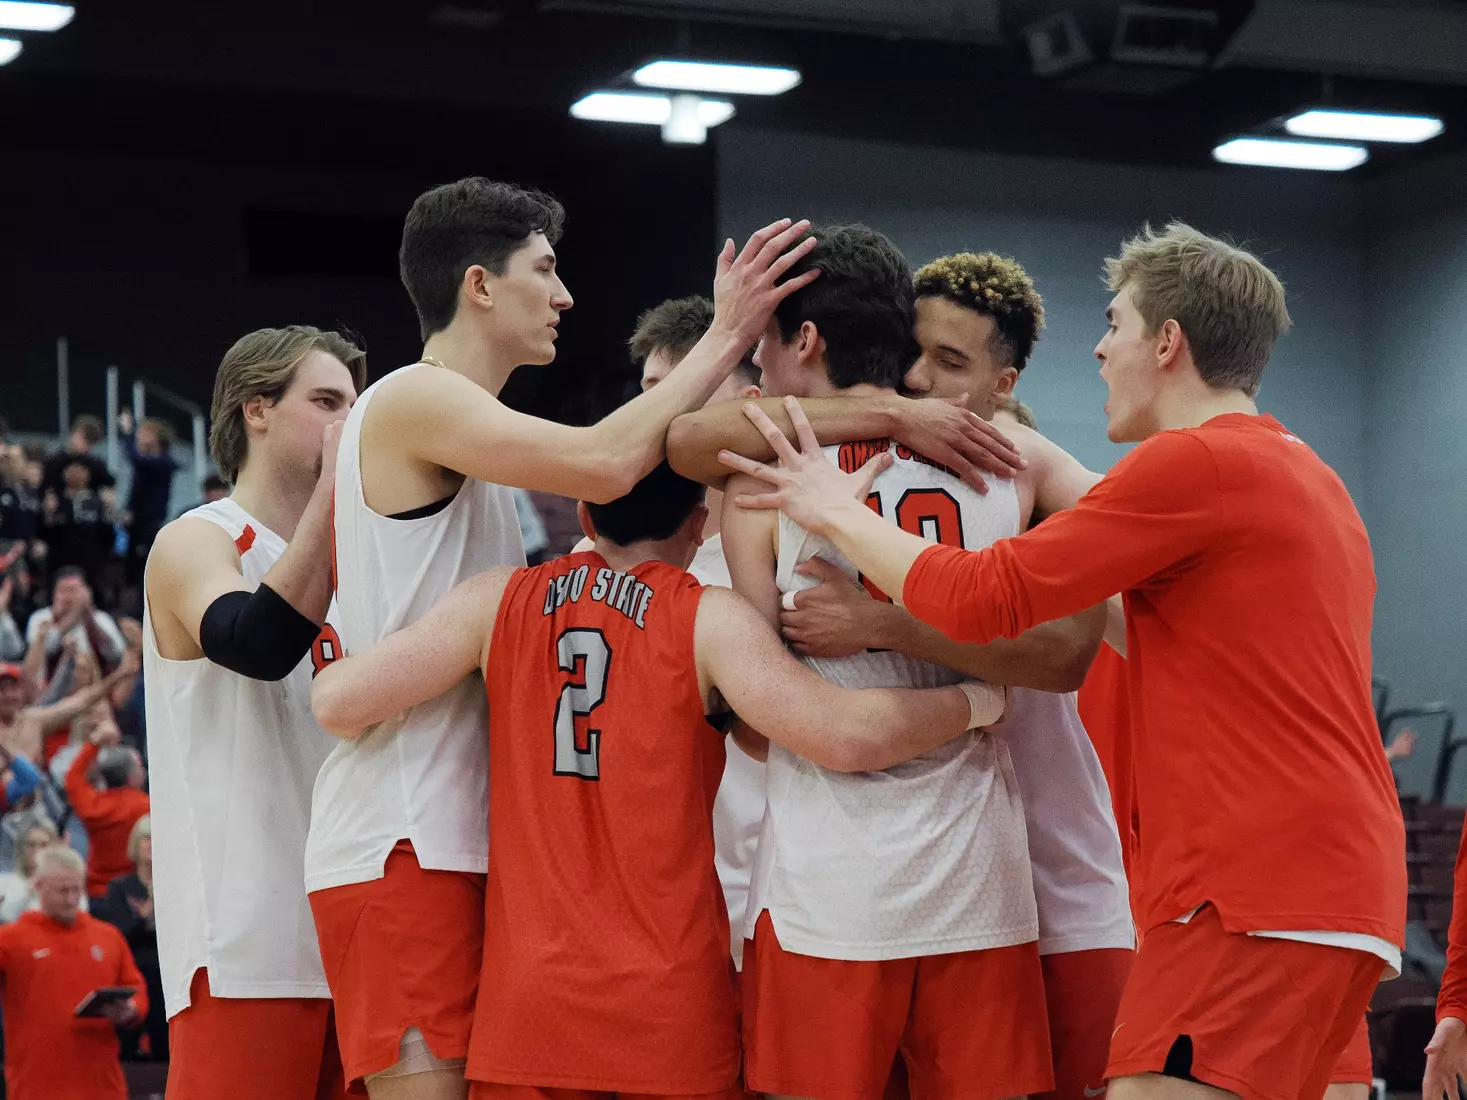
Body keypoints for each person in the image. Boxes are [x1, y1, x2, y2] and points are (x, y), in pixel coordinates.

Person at [307, 179, 1012, 1099]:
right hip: (413, 842)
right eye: (546, 269)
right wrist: (986, 693)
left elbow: (335, 695)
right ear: (479, 285)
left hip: (489, 887)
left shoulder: (505, 586)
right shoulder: (414, 403)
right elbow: (611, 457)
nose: (565, 295)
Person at [720, 222, 1406, 1100]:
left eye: (1113, 325)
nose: (1096, 347)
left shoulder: (1190, 466)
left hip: (1246, 890)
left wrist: (836, 512)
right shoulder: (1302, 469)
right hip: (1327, 879)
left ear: (1167, 342)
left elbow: (982, 598)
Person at [309, 456, 1009, 1100]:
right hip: (667, 1001)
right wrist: (979, 701)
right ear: (697, 525)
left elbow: (338, 703)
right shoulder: (707, 616)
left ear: (584, 519)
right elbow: (847, 735)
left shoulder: (497, 600)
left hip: (529, 1004)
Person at [716, 226, 1058, 1100]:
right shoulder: (1013, 463)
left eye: (763, 345)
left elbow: (755, 728)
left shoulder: (754, 480)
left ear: (807, 341)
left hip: (823, 887)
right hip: (977, 876)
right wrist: (978, 694)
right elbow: (1070, 652)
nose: (758, 367)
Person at [143, 324, 365, 1100]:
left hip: (359, 927)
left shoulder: (366, 561)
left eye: (356, 403)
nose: (352, 421)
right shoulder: (196, 541)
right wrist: (340, 489)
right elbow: (254, 640)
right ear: (256, 408)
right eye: (328, 401)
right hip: (247, 938)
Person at [0, 843, 147, 1100]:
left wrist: (130, 1010)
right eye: (61, 891)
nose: (70, 899)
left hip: (103, 1086)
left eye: (76, 889)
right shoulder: (12, 939)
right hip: (36, 1087)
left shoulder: (108, 936)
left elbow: (137, 989)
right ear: (38, 886)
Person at [63, 718, 150, 900]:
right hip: (135, 892)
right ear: (132, 776)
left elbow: (72, 777)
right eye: (141, 768)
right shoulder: (145, 806)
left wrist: (94, 743)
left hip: (96, 892)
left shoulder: (91, 804)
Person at [105, 813, 168, 1062]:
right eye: (146, 838)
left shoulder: (174, 884)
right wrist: (145, 916)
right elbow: (120, 932)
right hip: (134, 966)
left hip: (165, 969)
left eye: (156, 838)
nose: (152, 844)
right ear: (136, 844)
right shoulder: (121, 887)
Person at [0, 654, 135, 764]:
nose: (9, 695)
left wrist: (119, 674)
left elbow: (82, 701)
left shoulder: (33, 719)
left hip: (37, 792)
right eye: (2, 689)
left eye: (13, 688)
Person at [119, 410, 180, 583]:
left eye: (145, 433)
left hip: (149, 525)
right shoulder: (147, 464)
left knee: (143, 572)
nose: (140, 436)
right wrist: (128, 510)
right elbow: (136, 491)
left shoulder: (162, 462)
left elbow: (135, 458)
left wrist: (128, 431)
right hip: (136, 524)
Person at [41, 414, 115, 497]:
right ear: (74, 433)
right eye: (83, 437)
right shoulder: (53, 463)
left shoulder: (96, 466)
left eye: (90, 441)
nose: (85, 445)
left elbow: (110, 487)